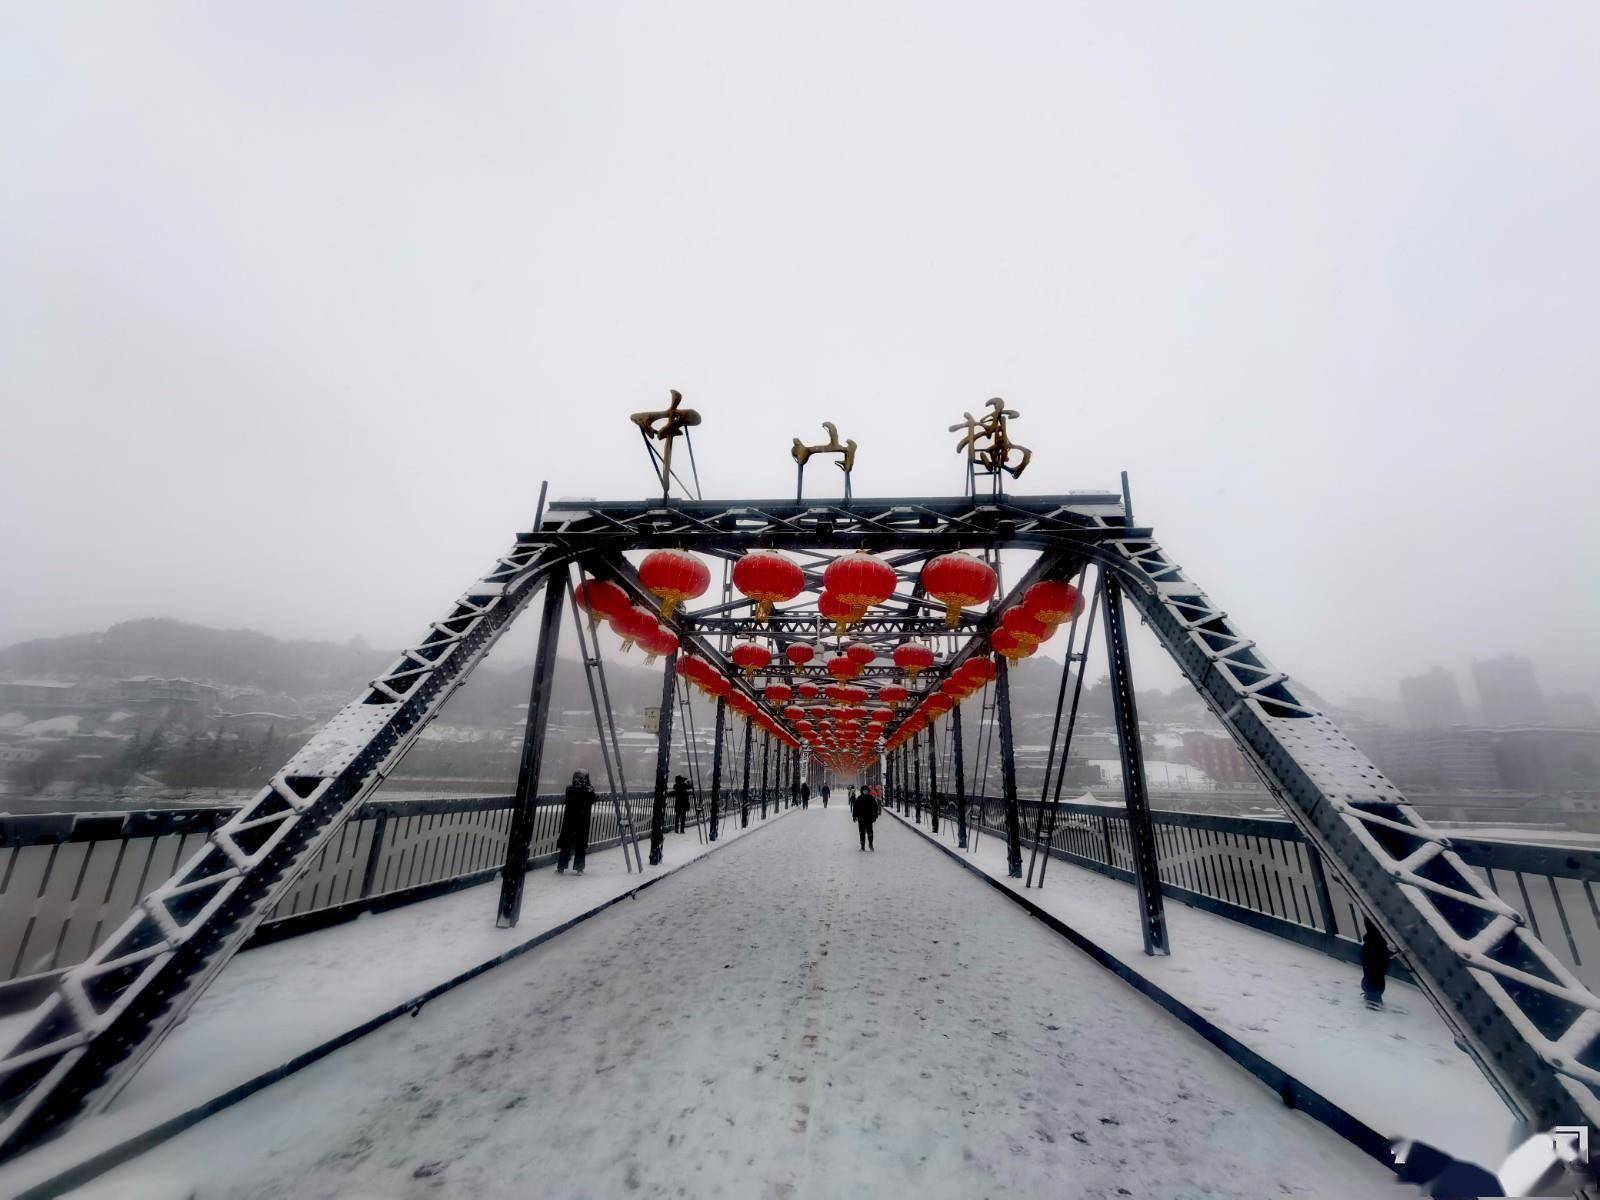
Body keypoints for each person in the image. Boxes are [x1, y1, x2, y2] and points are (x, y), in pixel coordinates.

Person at [556, 770, 595, 875]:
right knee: (580, 846)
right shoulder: (588, 791)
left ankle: (561, 867)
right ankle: (579, 868)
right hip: (582, 822)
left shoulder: (570, 789)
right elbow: (593, 799)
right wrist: (590, 789)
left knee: (566, 845)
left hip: (569, 821)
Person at [851, 784, 879, 851]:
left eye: (866, 790)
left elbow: (875, 807)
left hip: (869, 818)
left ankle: (870, 844)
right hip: (861, 818)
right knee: (861, 832)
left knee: (870, 832)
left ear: (868, 791)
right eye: (864, 791)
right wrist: (854, 816)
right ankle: (862, 846)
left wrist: (875, 815)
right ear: (862, 791)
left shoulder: (871, 798)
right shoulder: (859, 798)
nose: (865, 792)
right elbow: (855, 808)